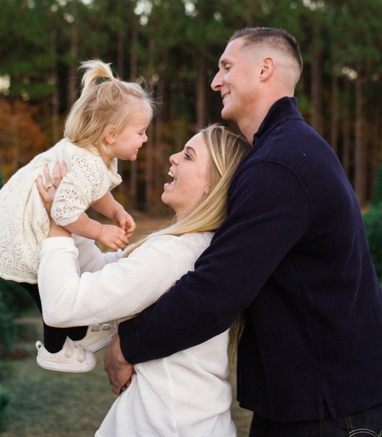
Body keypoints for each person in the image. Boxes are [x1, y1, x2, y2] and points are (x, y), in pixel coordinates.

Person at [104, 27, 382, 436]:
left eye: (226, 67)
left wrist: (127, 345)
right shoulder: (284, 151)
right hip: (309, 399)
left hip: (328, 409)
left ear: (265, 69)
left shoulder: (280, 164)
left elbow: (219, 288)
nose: (215, 81)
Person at [32, 125, 252, 436]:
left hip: (169, 425)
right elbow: (97, 272)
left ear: (213, 185)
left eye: (188, 156)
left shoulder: (173, 254)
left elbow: (61, 307)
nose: (174, 157)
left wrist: (57, 226)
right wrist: (73, 215)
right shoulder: (193, 246)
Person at [0, 59, 144, 372]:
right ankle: (54, 348)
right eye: (141, 132)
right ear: (111, 135)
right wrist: (101, 232)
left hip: (22, 224)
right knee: (50, 288)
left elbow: (95, 192)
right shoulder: (87, 162)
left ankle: (81, 331)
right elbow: (63, 212)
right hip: (21, 235)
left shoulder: (90, 154)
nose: (145, 139)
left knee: (67, 272)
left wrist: (115, 209)